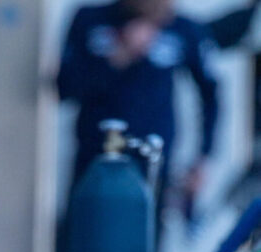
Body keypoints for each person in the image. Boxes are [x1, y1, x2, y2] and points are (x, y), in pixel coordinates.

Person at [57, 0, 219, 199]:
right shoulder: (91, 19)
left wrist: (204, 157)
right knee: (91, 214)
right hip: (96, 154)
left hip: (153, 157)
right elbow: (64, 89)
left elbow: (211, 93)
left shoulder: (183, 29)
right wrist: (119, 56)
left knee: (146, 212)